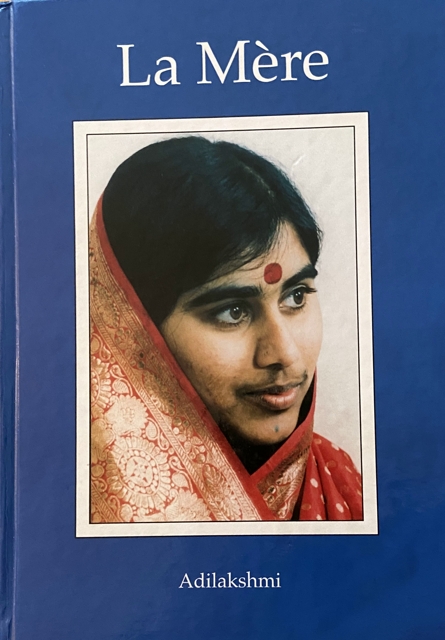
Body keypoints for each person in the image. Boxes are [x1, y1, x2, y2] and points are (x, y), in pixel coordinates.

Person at [89, 136, 363, 523]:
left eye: (296, 296)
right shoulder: (75, 499)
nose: (284, 353)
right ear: (133, 333)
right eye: (233, 312)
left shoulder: (341, 480)